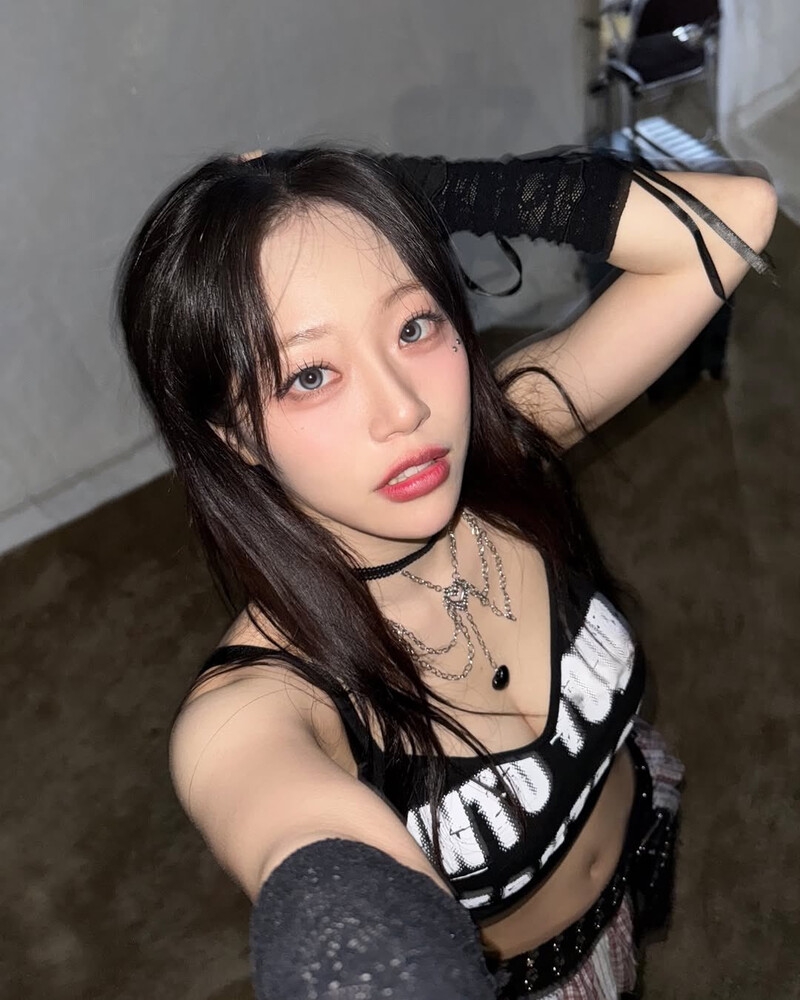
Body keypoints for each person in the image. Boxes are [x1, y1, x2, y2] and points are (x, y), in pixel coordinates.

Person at [117, 144, 777, 999]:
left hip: (633, 836)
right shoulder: (251, 712)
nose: (406, 410)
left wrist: (400, 194)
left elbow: (732, 222)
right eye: (310, 375)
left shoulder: (508, 445)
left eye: (414, 326)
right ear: (233, 433)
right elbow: (311, 868)